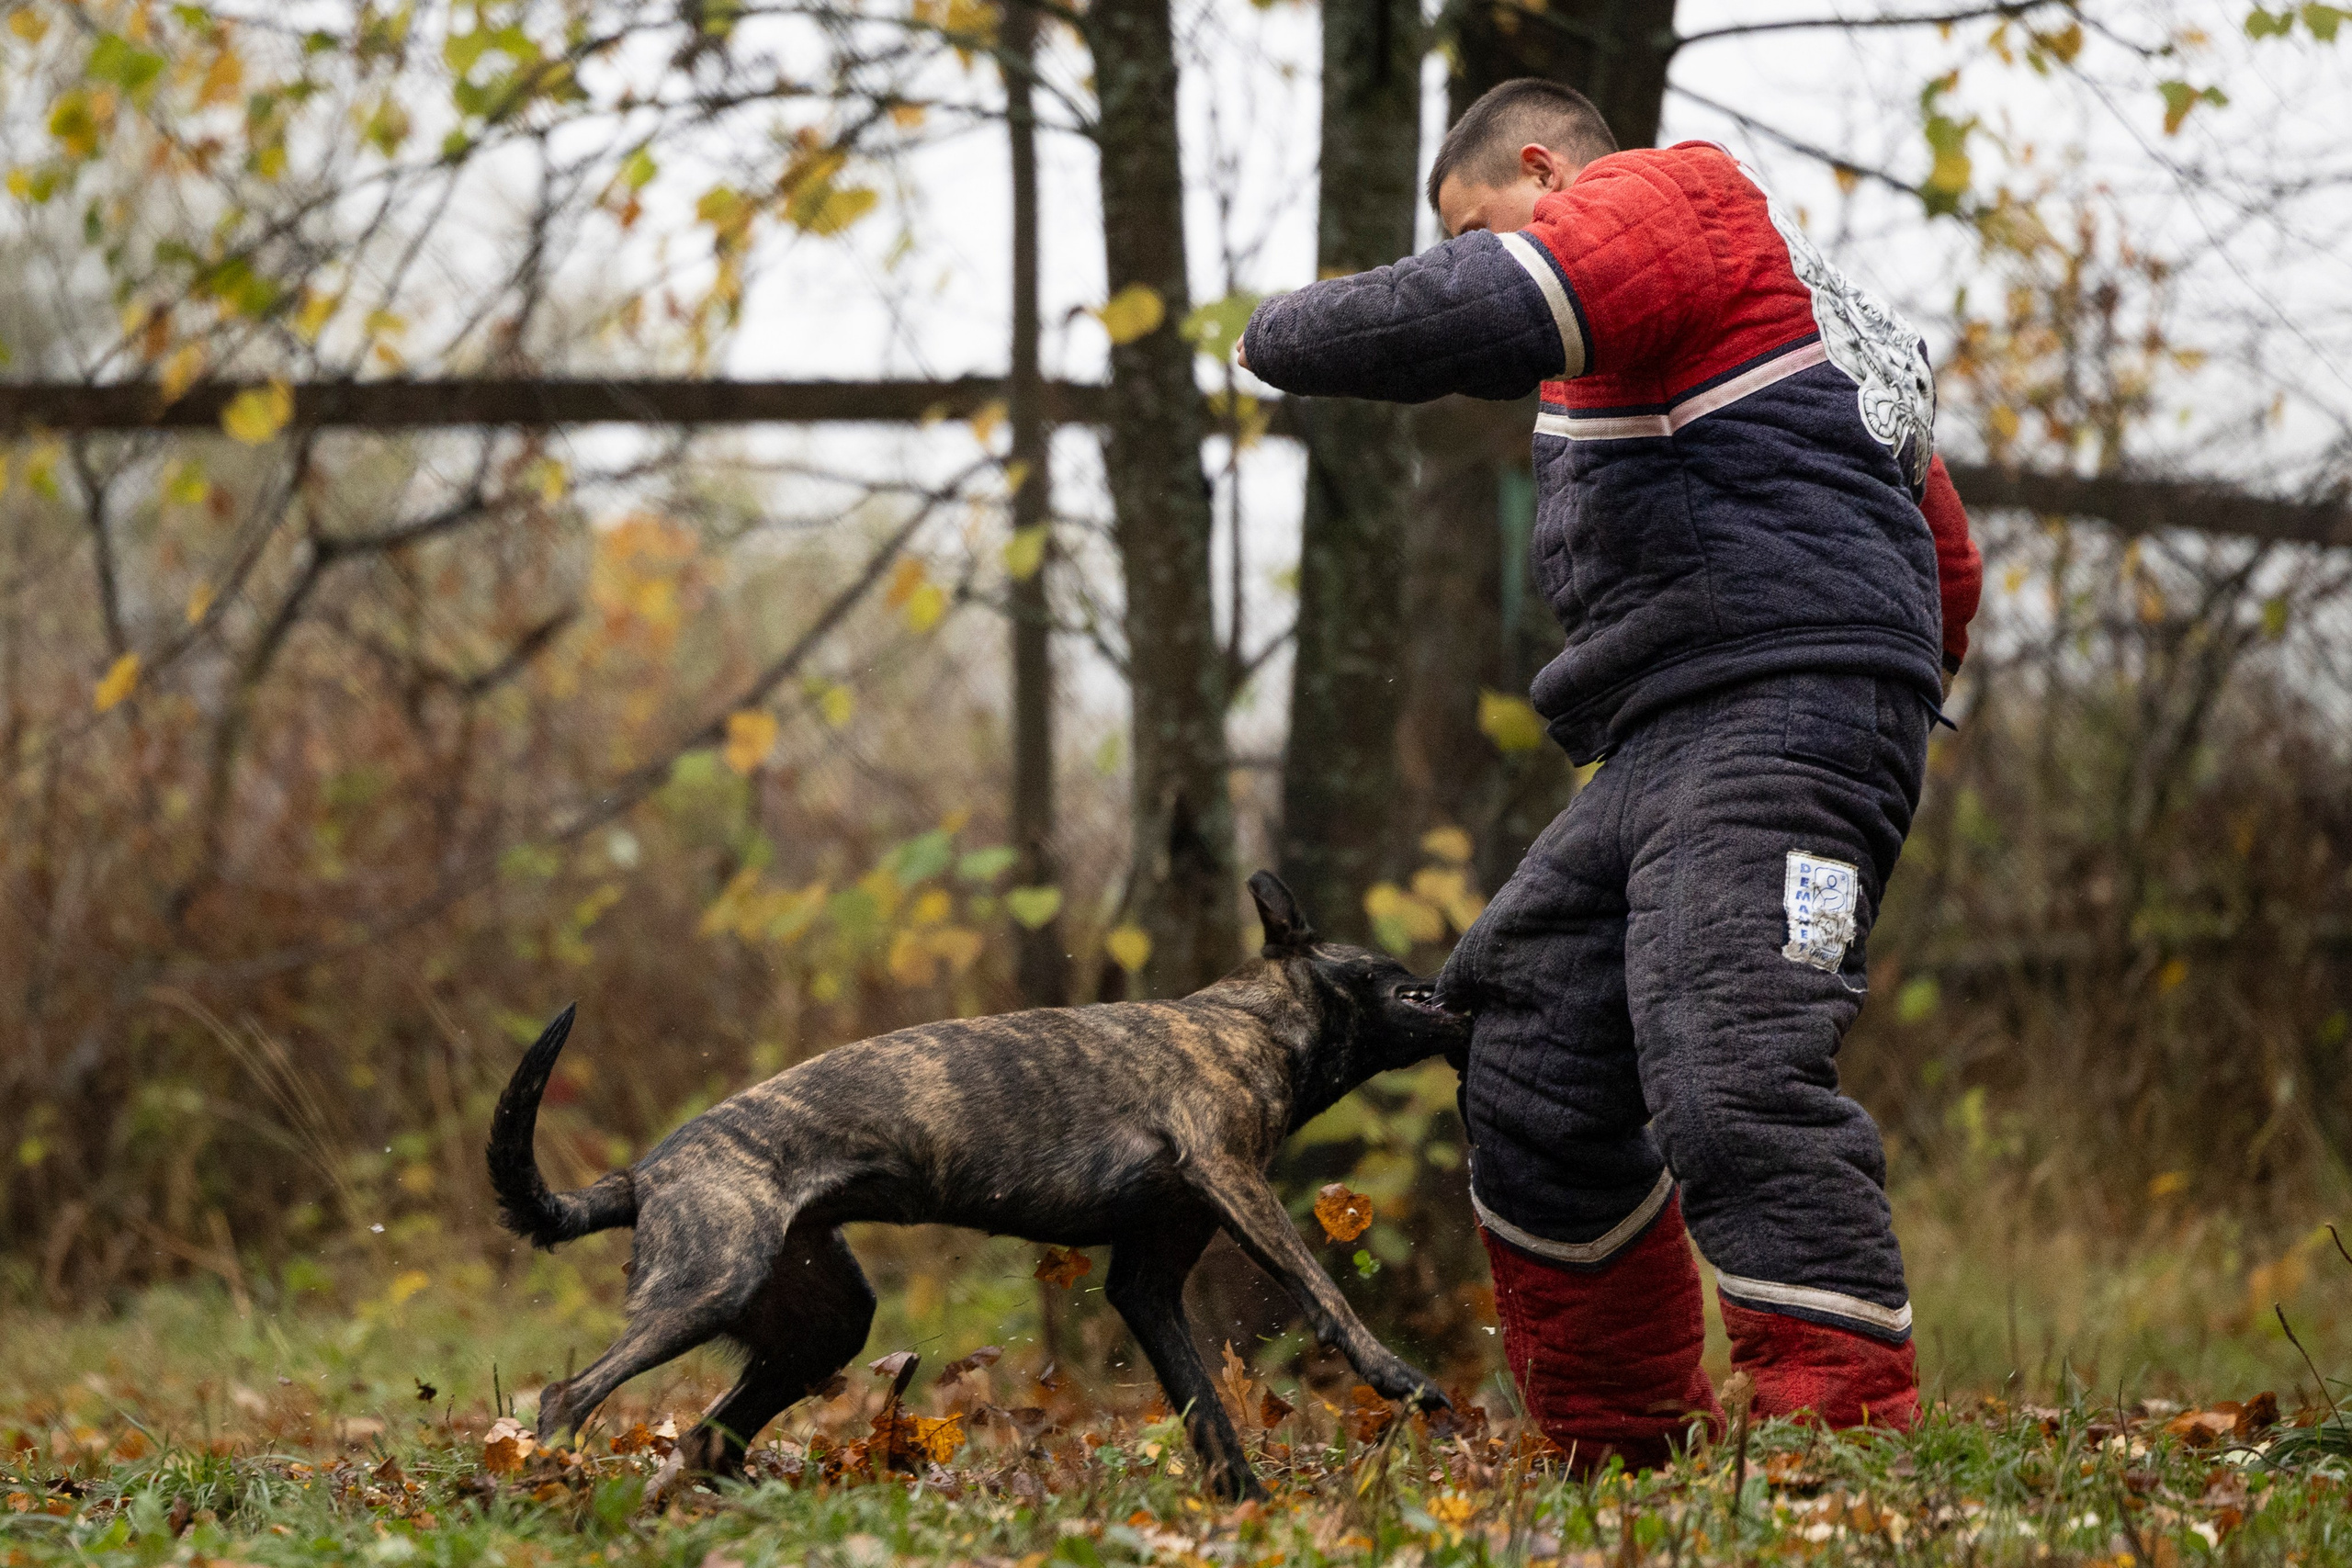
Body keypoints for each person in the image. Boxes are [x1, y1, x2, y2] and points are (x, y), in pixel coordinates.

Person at [1239, 78, 1982, 1469]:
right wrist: (1876, 701)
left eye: (1479, 228)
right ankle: (1617, 1442)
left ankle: (1843, 1452)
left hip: (1778, 707)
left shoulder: (1675, 196)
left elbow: (1485, 307)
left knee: (1727, 1063)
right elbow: (1946, 557)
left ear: (1543, 170)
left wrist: (1282, 328)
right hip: (1679, 735)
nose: (1477, 262)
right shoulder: (1788, 321)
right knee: (1526, 1039)